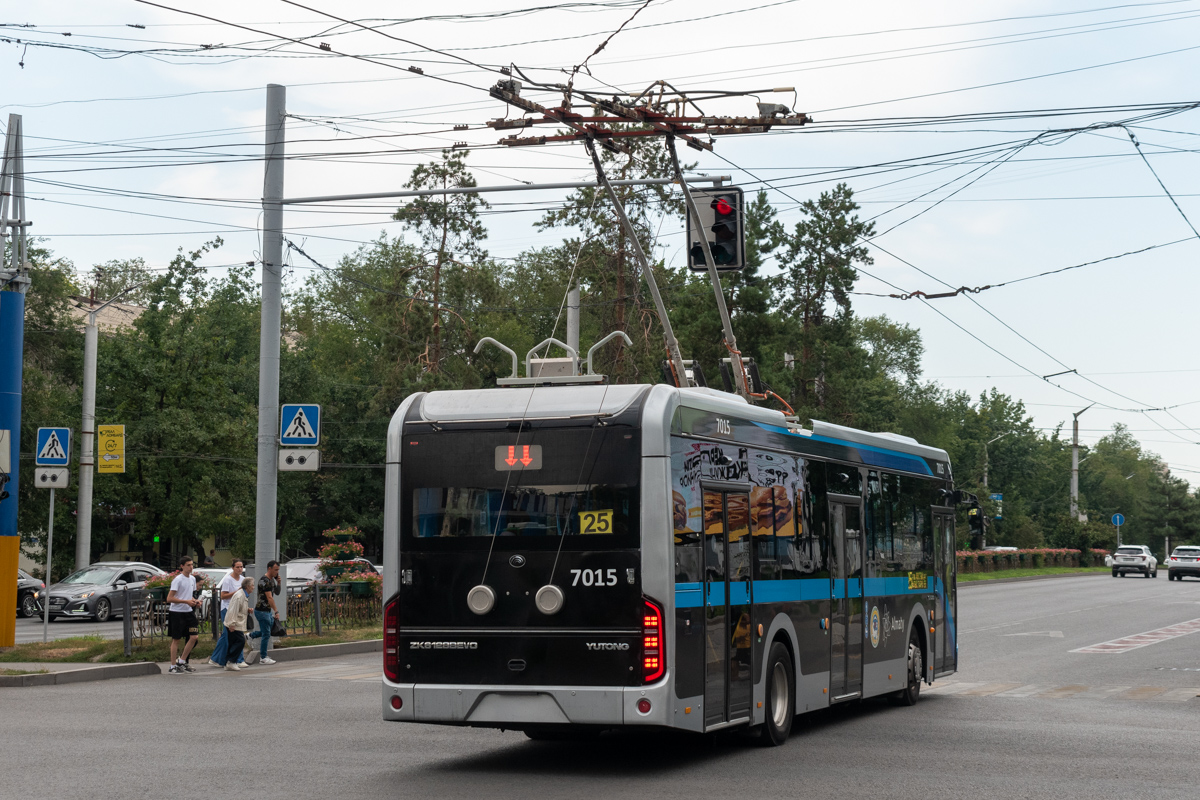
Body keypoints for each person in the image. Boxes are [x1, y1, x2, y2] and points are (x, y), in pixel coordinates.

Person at [207, 559, 247, 668]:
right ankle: (219, 659)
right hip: (228, 609)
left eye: (241, 567)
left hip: (238, 609)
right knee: (228, 634)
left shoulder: (243, 579)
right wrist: (237, 591)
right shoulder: (228, 580)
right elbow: (223, 596)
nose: (239, 569)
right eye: (237, 567)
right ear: (233, 568)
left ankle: (235, 659)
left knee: (237, 634)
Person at [167, 557, 201, 674]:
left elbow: (188, 595)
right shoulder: (178, 580)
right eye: (188, 565)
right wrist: (186, 602)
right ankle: (172, 666)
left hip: (188, 612)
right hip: (177, 612)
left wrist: (195, 601)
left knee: (194, 637)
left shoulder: (192, 579)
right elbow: (169, 598)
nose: (191, 567)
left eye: (192, 565)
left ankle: (181, 661)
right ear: (182, 566)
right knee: (176, 639)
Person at [248, 560, 281, 665]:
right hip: (262, 610)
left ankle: (250, 636)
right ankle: (263, 657)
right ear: (269, 568)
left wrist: (278, 582)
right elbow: (270, 597)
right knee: (266, 634)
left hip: (266, 611)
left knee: (266, 632)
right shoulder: (264, 581)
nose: (277, 572)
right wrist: (276, 611)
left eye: (278, 570)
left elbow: (277, 592)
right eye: (275, 570)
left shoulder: (271, 580)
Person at [222, 577, 255, 672]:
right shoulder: (239, 596)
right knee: (240, 641)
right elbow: (233, 610)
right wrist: (232, 624)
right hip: (234, 623)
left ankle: (229, 662)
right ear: (248, 586)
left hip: (235, 623)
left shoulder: (243, 595)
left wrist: (247, 609)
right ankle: (231, 661)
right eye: (252, 585)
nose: (253, 587)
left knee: (233, 642)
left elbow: (239, 607)